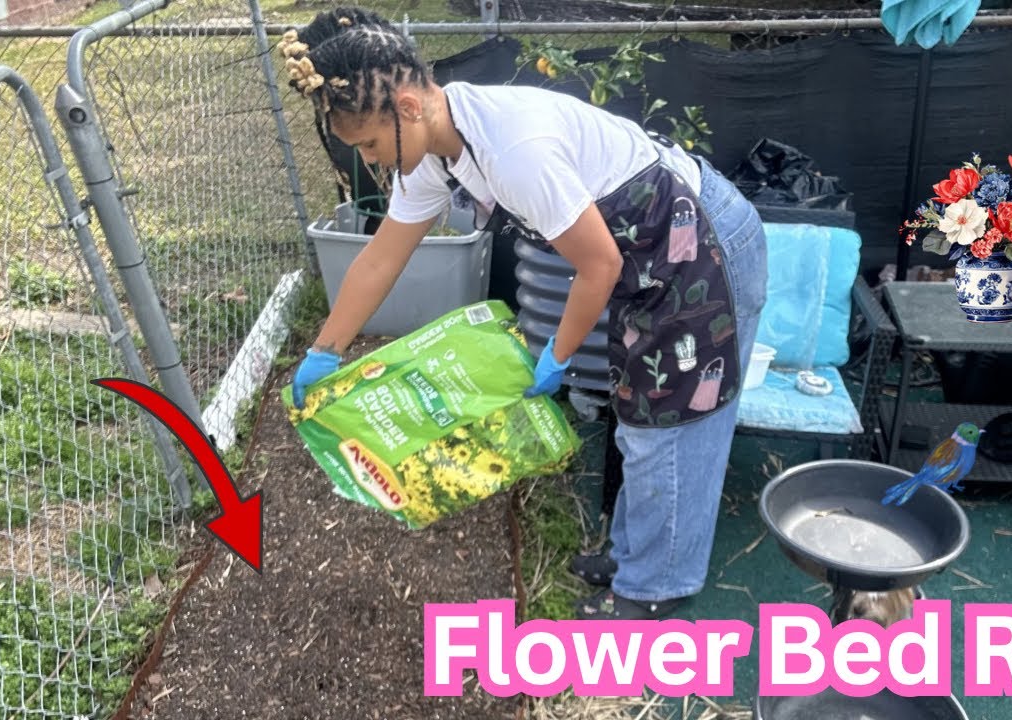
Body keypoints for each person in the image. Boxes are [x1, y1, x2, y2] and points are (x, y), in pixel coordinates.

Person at [283, 7, 767, 620]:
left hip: (701, 248)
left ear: (406, 107)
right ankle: (636, 556)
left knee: (671, 421)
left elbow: (597, 267)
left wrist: (557, 357)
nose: (376, 162)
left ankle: (654, 589)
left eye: (372, 144)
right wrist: (325, 350)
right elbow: (380, 259)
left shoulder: (512, 151)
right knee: (639, 411)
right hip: (649, 253)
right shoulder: (435, 146)